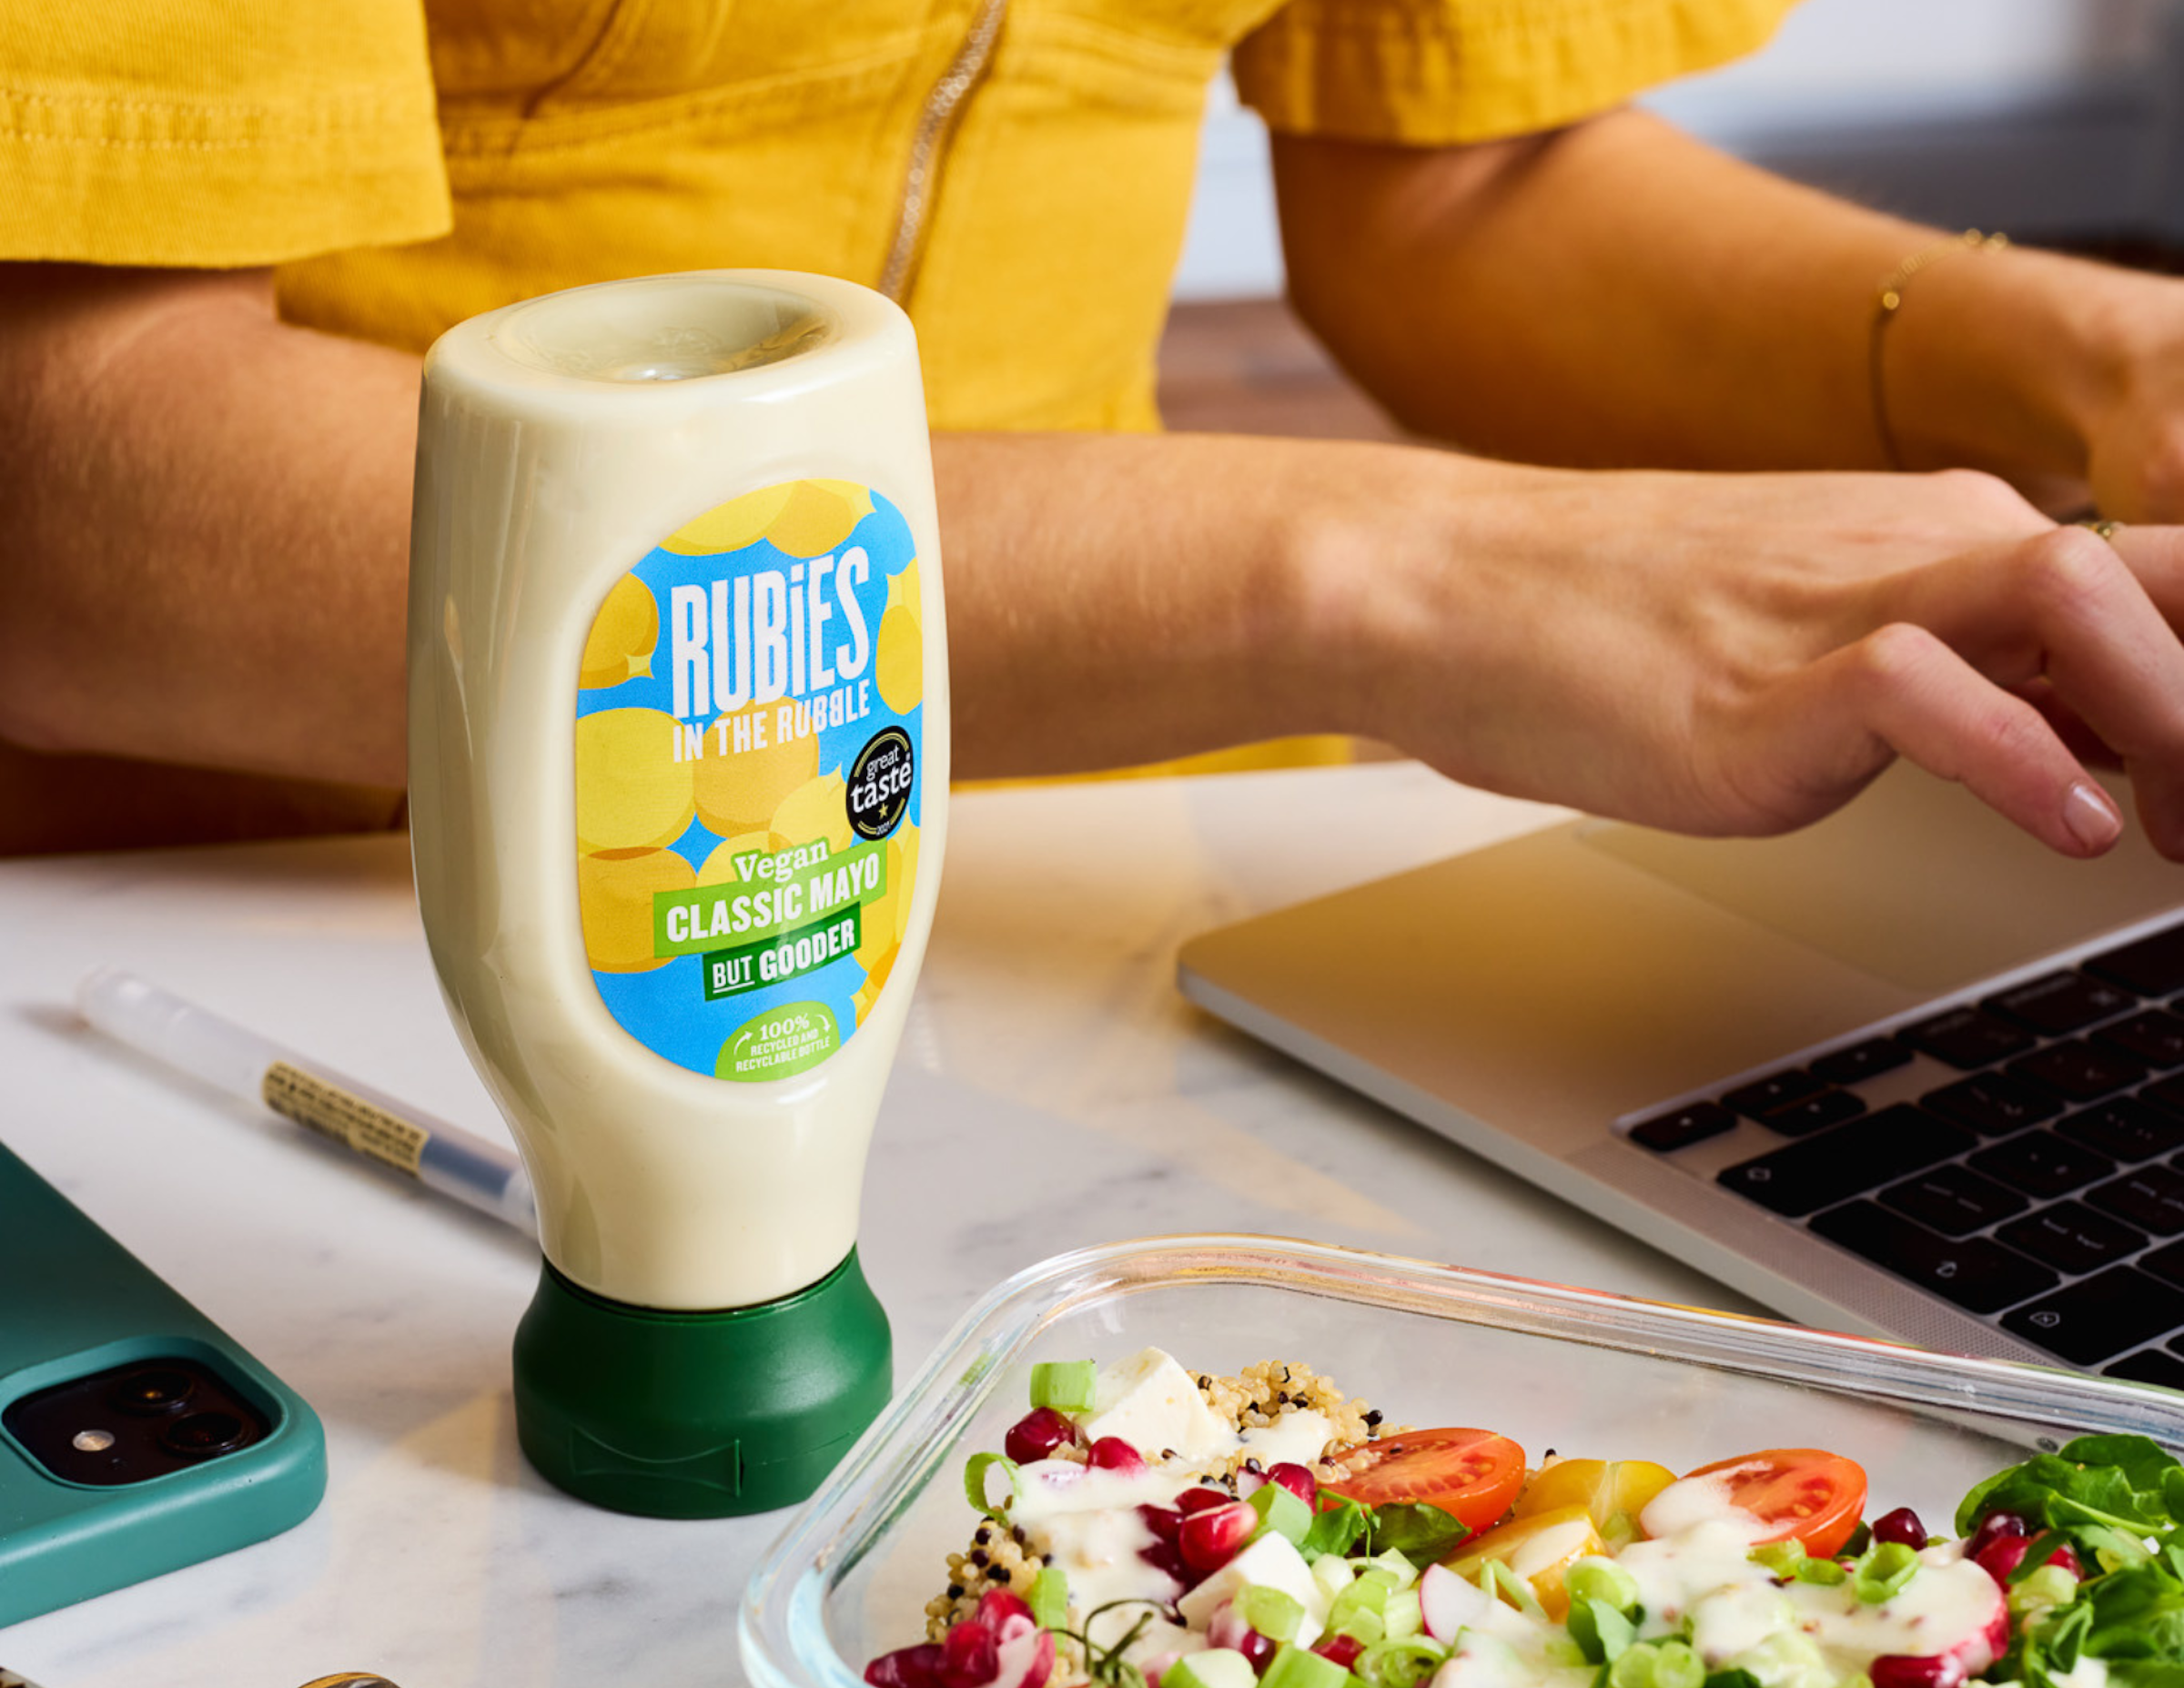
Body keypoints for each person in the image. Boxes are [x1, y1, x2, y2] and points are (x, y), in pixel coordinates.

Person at [5, 0, 2184, 863]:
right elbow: (76, 484)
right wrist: (1392, 575)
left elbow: (1450, 180)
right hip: (309, 903)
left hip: (1095, 855)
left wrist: (2094, 360)